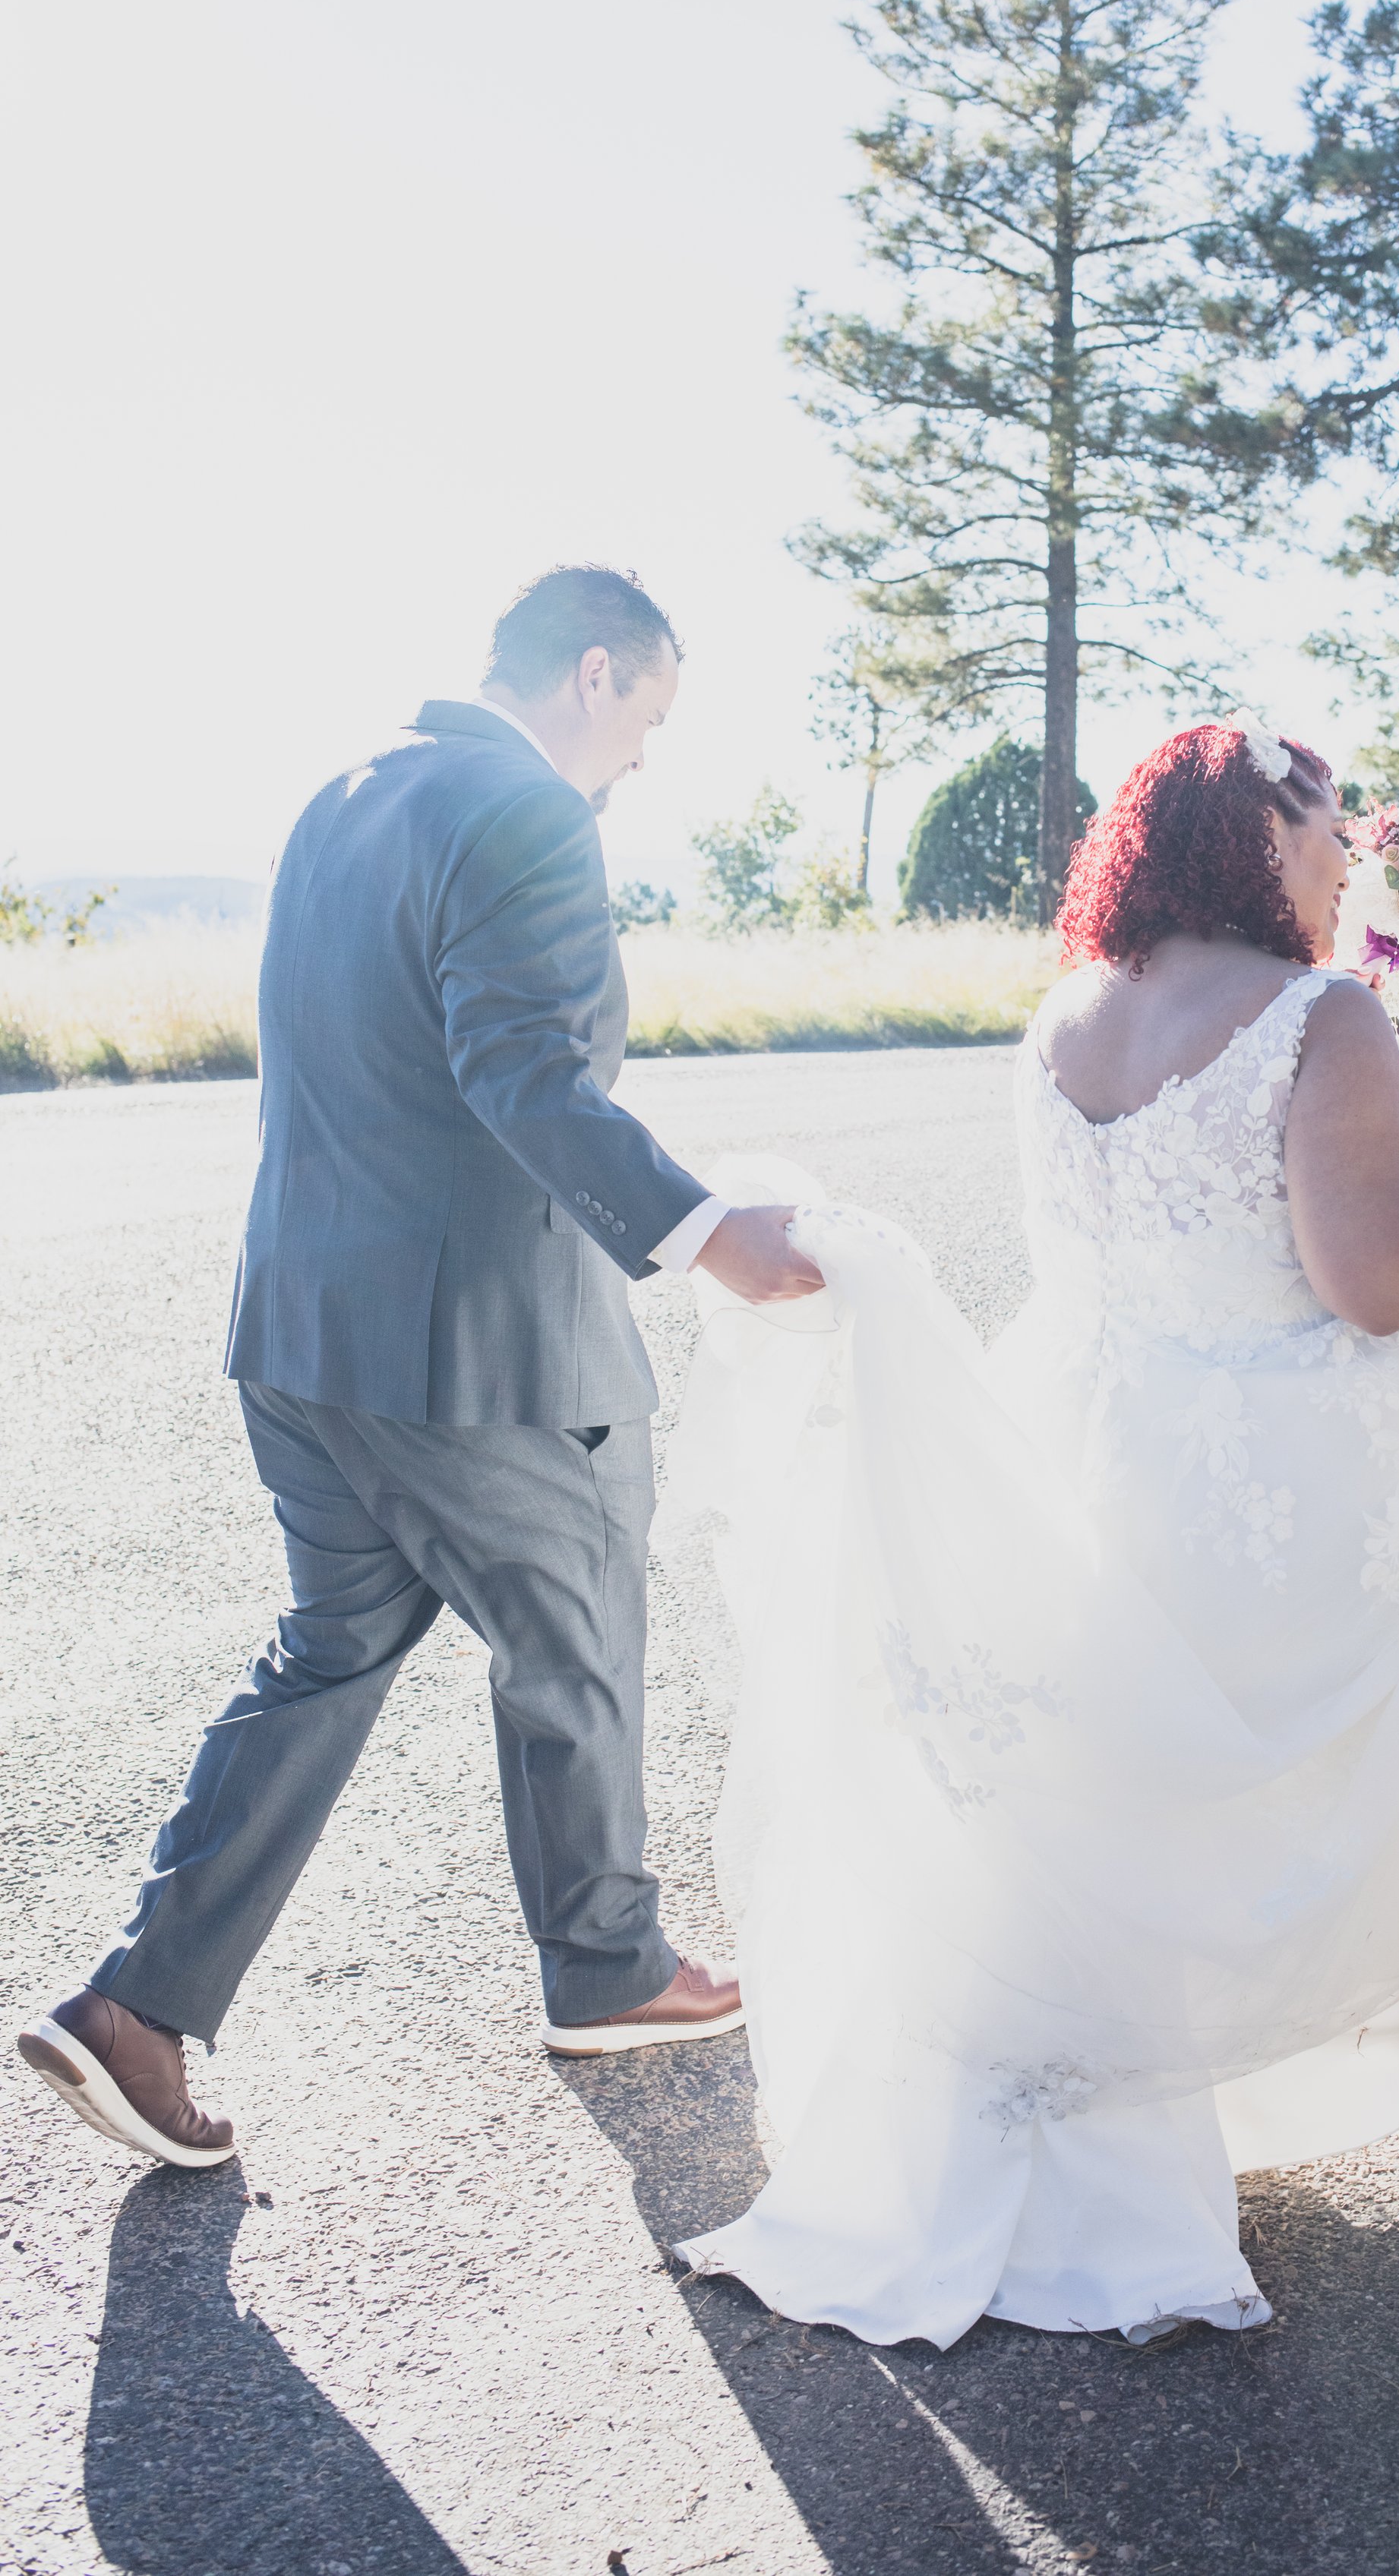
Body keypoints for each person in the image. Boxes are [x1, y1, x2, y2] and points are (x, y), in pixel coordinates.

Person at [662, 719, 1399, 2347]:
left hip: (1076, 1444)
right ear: (1247, 843)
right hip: (1268, 1486)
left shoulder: (1060, 1014)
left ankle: (1120, 2080)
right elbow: (1379, 1285)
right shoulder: (1316, 1017)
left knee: (1099, 1792)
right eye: (1319, 822)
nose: (1345, 849)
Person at [17, 564, 820, 2169]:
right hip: (472, 1351)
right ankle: (606, 1964)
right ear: (593, 675)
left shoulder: (342, 792)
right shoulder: (522, 812)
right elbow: (518, 1068)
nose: (642, 760)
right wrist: (698, 1227)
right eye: (647, 720)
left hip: (302, 1330)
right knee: (578, 1614)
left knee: (328, 1655)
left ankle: (136, 2010)